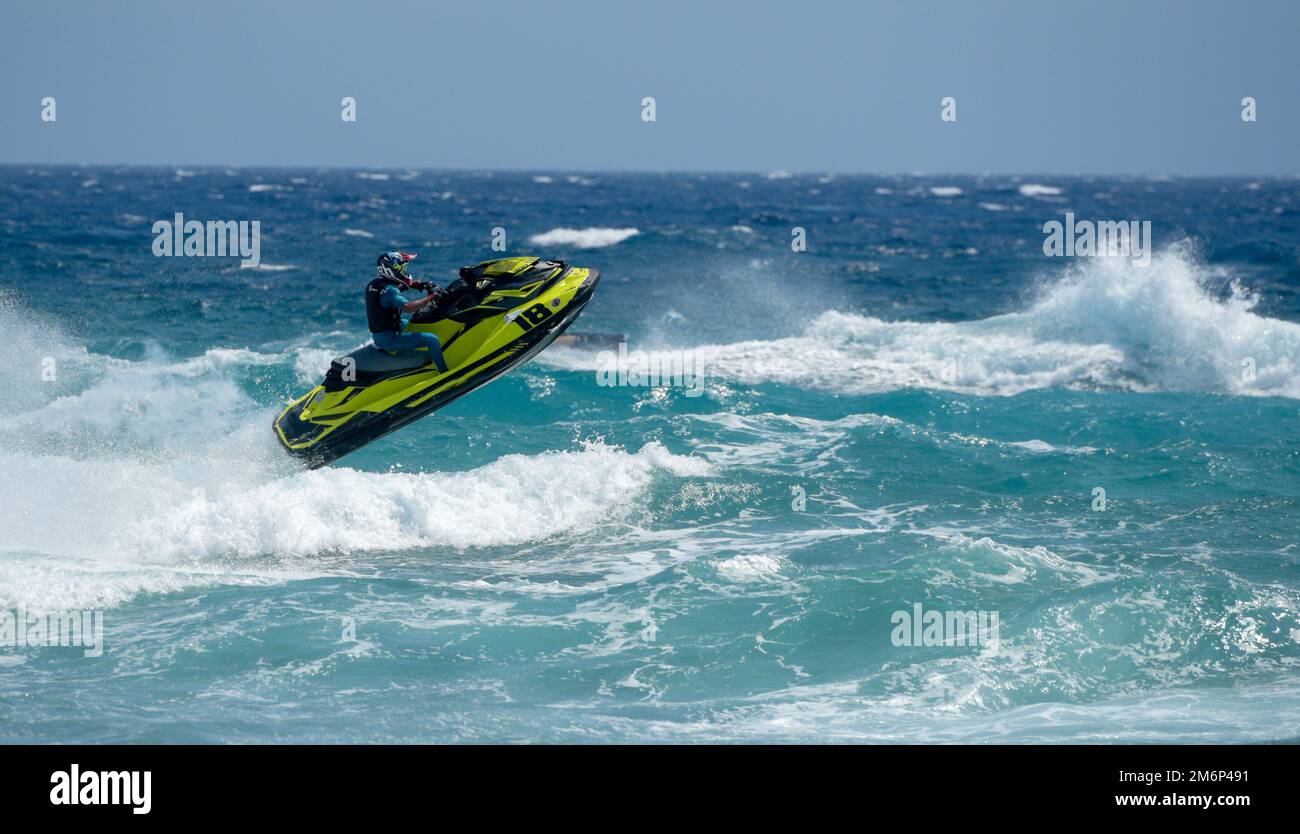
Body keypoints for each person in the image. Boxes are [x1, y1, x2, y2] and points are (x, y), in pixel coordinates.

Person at [365, 251, 449, 373]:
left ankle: (427, 355)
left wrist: (421, 285)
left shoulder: (376, 284)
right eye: (403, 268)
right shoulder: (389, 290)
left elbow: (401, 286)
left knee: (416, 320)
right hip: (389, 339)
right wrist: (431, 297)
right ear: (392, 269)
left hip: (386, 331)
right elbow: (408, 307)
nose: (405, 271)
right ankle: (444, 372)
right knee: (432, 339)